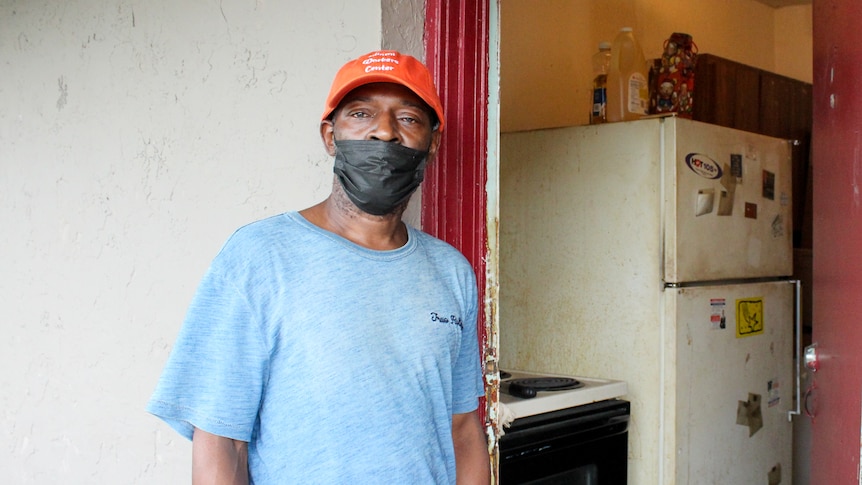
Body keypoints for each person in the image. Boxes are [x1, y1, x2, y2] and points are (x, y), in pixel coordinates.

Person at [146, 50, 490, 485]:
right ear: (330, 136)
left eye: (407, 118)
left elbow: (462, 429)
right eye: (361, 114)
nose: (383, 131)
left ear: (432, 143)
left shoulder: (451, 271)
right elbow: (219, 440)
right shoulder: (259, 257)